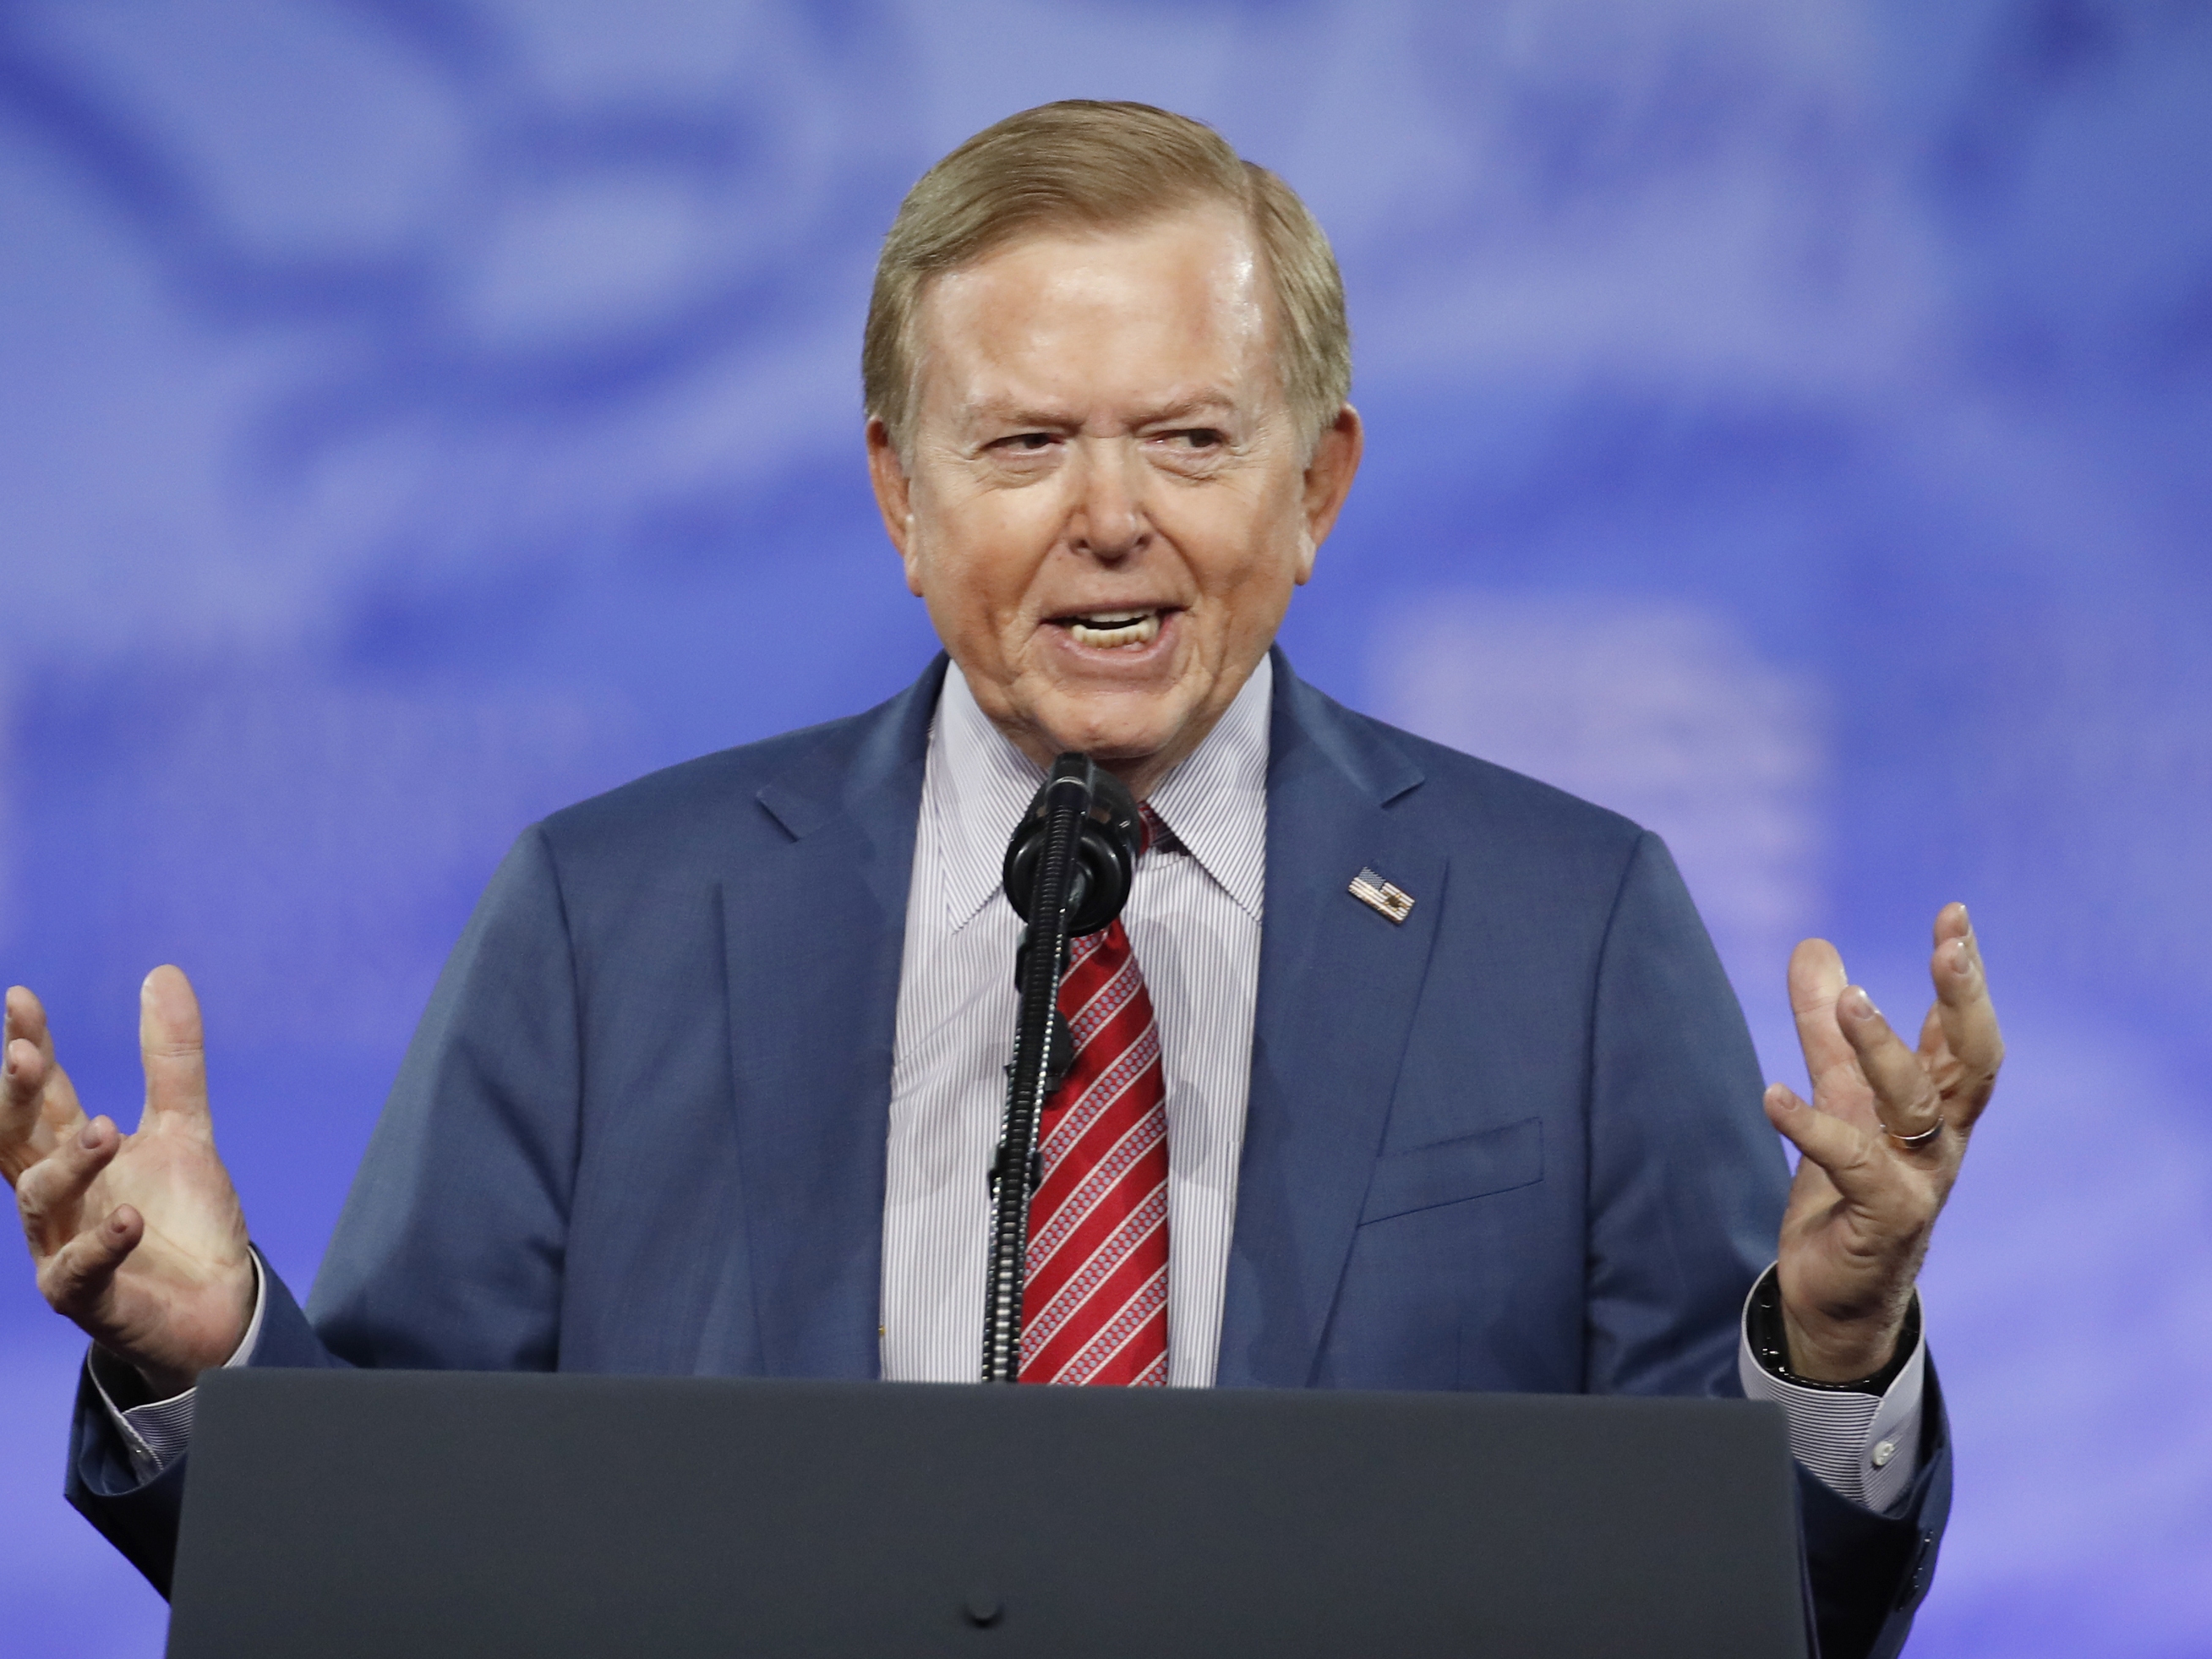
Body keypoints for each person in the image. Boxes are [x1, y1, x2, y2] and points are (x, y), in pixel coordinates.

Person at [4, 102, 1999, 1658]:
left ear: (1316, 492)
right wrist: (215, 1361)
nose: (1107, 516)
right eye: (1026, 439)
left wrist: (1827, 1351)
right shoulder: (610, 922)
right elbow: (391, 1562)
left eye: (1191, 439)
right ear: (899, 493)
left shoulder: (1570, 929)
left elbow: (1757, 1610)